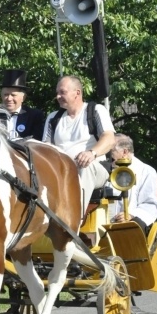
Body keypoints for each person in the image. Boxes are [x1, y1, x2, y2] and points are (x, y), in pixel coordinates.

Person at [42, 75, 115, 220]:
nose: (58, 96)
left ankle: (73, 219)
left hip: (94, 169)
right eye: (57, 92)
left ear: (77, 93)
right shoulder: (53, 118)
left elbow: (109, 138)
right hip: (62, 171)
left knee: (85, 166)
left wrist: (91, 153)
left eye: (62, 92)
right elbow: (46, 149)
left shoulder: (95, 111)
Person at [108, 133, 157, 232]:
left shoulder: (146, 171)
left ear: (125, 152)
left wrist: (130, 215)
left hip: (132, 224)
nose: (108, 154)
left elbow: (150, 204)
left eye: (111, 150)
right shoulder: (106, 168)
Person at [0, 69, 45, 140]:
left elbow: (36, 140)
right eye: (6, 94)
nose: (9, 98)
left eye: (13, 95)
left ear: (23, 97)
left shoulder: (34, 116)